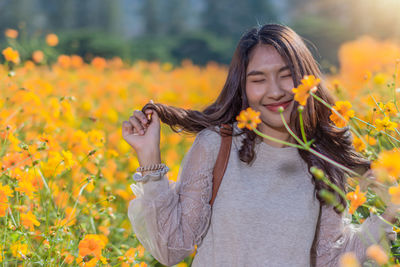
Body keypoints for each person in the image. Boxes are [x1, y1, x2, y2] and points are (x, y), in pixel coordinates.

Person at [122, 23, 397, 267]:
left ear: (306, 79)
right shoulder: (217, 145)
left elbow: (328, 259)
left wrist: (389, 215)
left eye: (286, 75)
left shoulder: (323, 158)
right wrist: (149, 158)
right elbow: (171, 250)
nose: (275, 90)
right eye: (258, 79)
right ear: (242, 86)